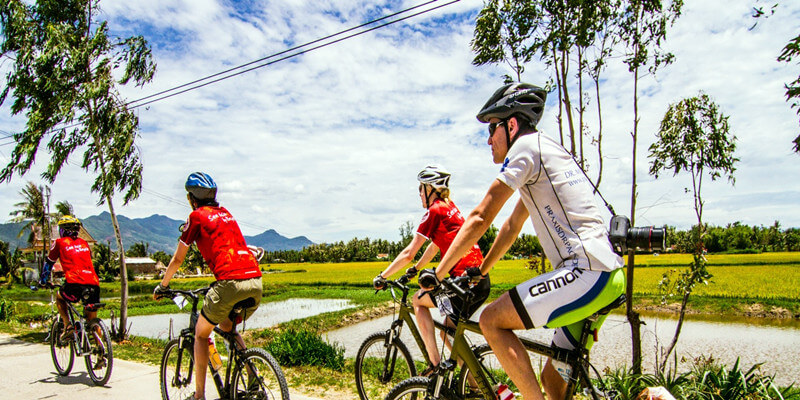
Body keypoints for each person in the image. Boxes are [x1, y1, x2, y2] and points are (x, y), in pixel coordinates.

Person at [428, 83, 626, 400]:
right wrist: (480, 269)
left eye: (492, 129)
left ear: (511, 124)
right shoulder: (545, 152)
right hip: (606, 275)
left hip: (588, 272)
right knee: (552, 382)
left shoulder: (525, 149)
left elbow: (481, 216)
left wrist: (438, 273)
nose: (488, 139)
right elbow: (511, 226)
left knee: (492, 320)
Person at [154, 172, 263, 400]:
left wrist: (163, 286)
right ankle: (253, 379)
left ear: (192, 198)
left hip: (229, 283)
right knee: (227, 327)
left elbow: (177, 259)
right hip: (255, 281)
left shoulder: (196, 216)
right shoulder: (226, 215)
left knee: (201, 335)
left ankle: (200, 396)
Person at [373, 164, 490, 374]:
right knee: (447, 333)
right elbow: (435, 245)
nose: (419, 194)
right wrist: (416, 268)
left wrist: (382, 276)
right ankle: (475, 386)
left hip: (462, 282)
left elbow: (409, 252)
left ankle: (435, 365)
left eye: (421, 188)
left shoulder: (434, 211)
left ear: (430, 189)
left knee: (418, 300)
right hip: (477, 280)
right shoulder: (450, 208)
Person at [39, 215, 107, 369]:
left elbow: (48, 264)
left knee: (60, 298)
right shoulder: (84, 243)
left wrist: (43, 281)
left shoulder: (59, 242)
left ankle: (68, 326)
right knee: (91, 319)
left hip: (74, 284)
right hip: (94, 284)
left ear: (63, 230)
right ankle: (101, 351)